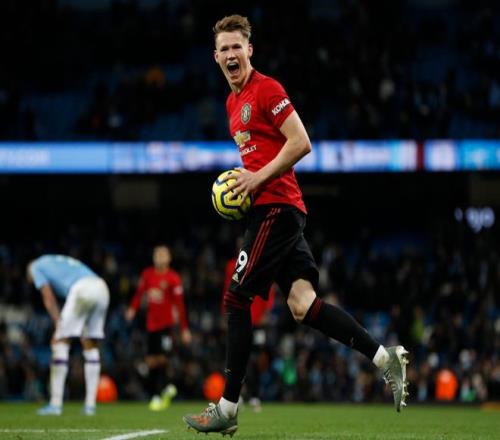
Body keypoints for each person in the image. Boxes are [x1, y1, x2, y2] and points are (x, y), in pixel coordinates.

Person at [183, 15, 409, 436]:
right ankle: (385, 358)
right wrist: (247, 177)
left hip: (276, 207)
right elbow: (263, 151)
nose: (231, 54)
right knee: (303, 305)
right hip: (273, 208)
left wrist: (256, 179)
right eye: (224, 48)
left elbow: (301, 142)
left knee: (236, 298)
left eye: (237, 46)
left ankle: (228, 409)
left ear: (249, 50)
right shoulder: (232, 104)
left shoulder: (267, 89)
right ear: (215, 57)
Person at [27, 254, 110, 416]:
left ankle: (55, 404)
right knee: (90, 345)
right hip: (101, 288)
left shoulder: (35, 266)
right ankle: (90, 406)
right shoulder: (54, 260)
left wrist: (58, 322)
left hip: (83, 289)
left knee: (59, 342)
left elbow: (48, 297)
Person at [125, 244, 191, 410]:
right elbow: (139, 293)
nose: (160, 257)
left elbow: (180, 305)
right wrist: (132, 309)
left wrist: (184, 329)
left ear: (169, 258)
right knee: (151, 361)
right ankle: (162, 390)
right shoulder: (147, 275)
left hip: (166, 325)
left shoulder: (173, 278)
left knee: (164, 358)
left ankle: (161, 390)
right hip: (151, 325)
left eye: (163, 254)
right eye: (157, 254)